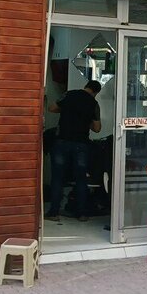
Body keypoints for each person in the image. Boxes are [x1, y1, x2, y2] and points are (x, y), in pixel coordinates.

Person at [46, 80, 102, 221]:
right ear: (96, 92)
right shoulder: (94, 104)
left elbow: (52, 108)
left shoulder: (69, 95)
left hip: (62, 141)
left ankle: (54, 213)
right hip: (81, 145)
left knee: (57, 177)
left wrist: (65, 110)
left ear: (85, 86)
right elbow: (97, 128)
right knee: (81, 179)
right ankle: (82, 213)